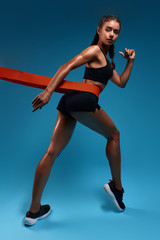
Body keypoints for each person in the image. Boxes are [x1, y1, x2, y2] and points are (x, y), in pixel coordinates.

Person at [24, 15, 135, 226]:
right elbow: (67, 66)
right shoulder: (94, 50)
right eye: (108, 29)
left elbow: (120, 82)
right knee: (114, 135)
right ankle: (117, 188)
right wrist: (48, 92)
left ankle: (33, 211)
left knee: (51, 153)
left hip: (70, 102)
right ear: (99, 30)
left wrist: (130, 62)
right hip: (83, 99)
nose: (112, 34)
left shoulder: (106, 60)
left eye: (116, 31)